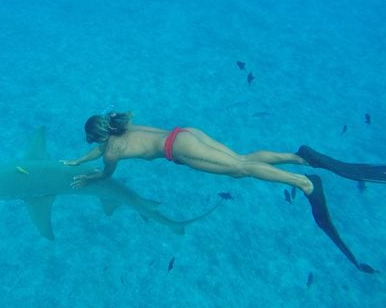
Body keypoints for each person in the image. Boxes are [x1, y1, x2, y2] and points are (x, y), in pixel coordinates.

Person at [63, 111, 386, 273]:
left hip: (179, 149)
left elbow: (106, 167)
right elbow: (101, 150)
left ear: (98, 137)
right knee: (241, 160)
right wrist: (79, 158)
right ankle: (301, 156)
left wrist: (91, 176)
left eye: (91, 143)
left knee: (240, 170)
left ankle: (304, 183)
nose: (94, 147)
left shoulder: (111, 150)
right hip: (185, 132)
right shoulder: (122, 128)